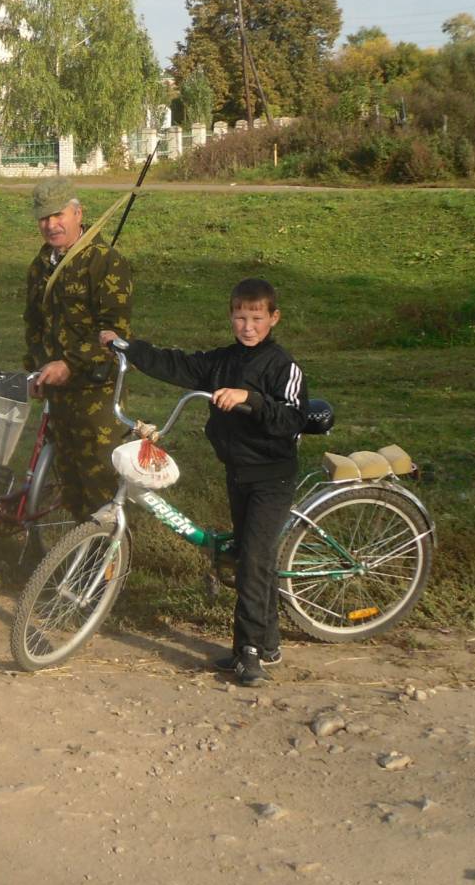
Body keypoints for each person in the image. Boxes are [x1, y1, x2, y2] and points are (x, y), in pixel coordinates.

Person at [100, 277, 309, 688]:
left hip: (272, 475)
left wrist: (249, 399)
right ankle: (268, 641)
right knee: (252, 554)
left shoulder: (282, 366)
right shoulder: (222, 361)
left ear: (274, 318)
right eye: (240, 317)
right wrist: (127, 347)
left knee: (252, 560)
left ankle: (247, 652)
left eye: (256, 318)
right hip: (238, 472)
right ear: (231, 316)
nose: (247, 326)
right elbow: (178, 364)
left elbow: (292, 418)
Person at [22, 177, 133, 528]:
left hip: (96, 396)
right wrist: (37, 369)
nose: (51, 225)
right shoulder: (40, 266)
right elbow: (34, 325)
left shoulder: (105, 262)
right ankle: (80, 566)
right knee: (70, 487)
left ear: (78, 212)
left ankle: (108, 572)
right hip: (58, 395)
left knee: (100, 487)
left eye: (58, 215)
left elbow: (116, 336)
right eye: (43, 218)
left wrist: (69, 364)